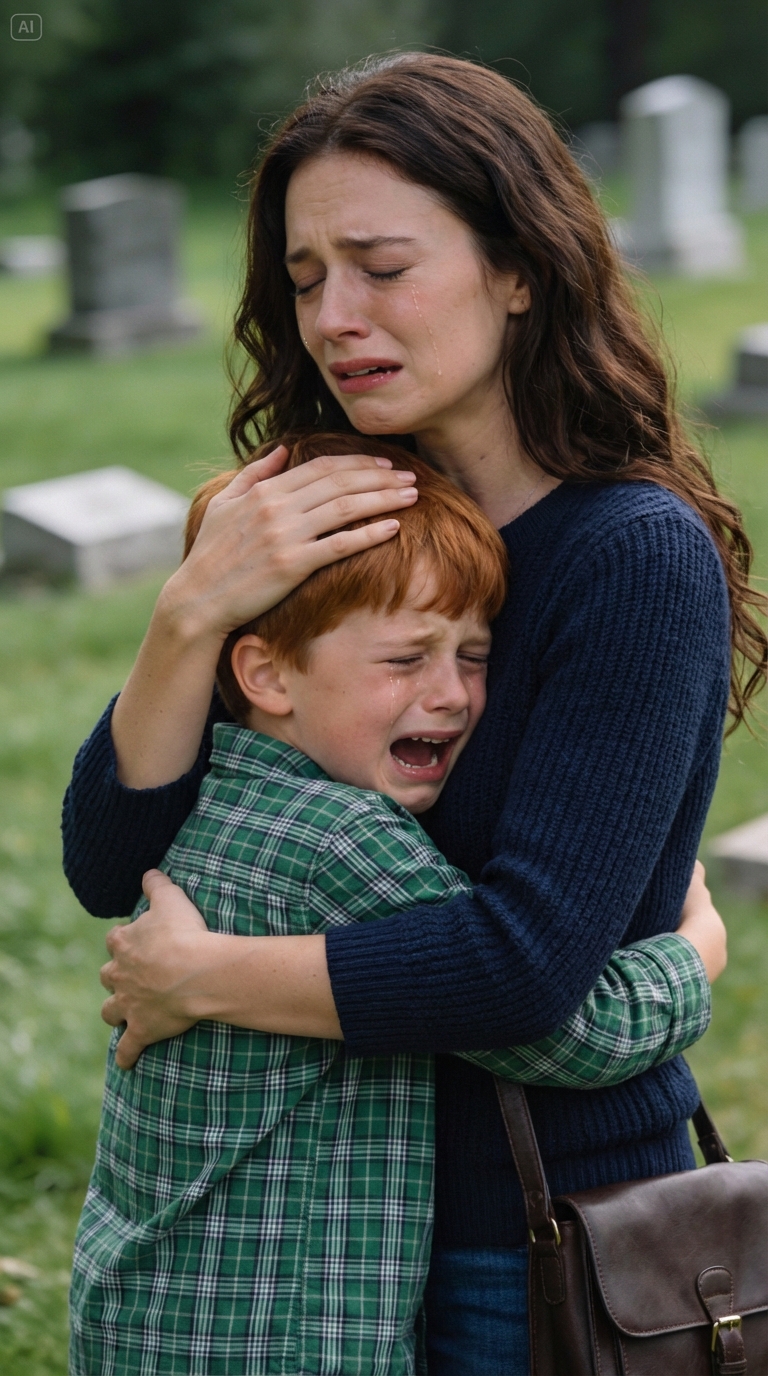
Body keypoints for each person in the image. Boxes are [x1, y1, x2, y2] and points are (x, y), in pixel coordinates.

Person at [63, 54, 766, 1376]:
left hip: (541, 1235)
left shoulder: (631, 556)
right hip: (314, 1231)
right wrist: (189, 614)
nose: (334, 316)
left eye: (382, 267)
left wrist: (209, 978)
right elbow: (118, 863)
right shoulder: (336, 516)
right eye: (308, 275)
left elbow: (524, 963)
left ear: (518, 267)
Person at [69, 434, 717, 1376]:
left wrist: (207, 978)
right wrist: (696, 952)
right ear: (263, 674)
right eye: (408, 657)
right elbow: (561, 1022)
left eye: (474, 656)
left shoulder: (215, 785)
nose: (451, 694)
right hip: (281, 1338)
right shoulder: (346, 841)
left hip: (147, 1300)